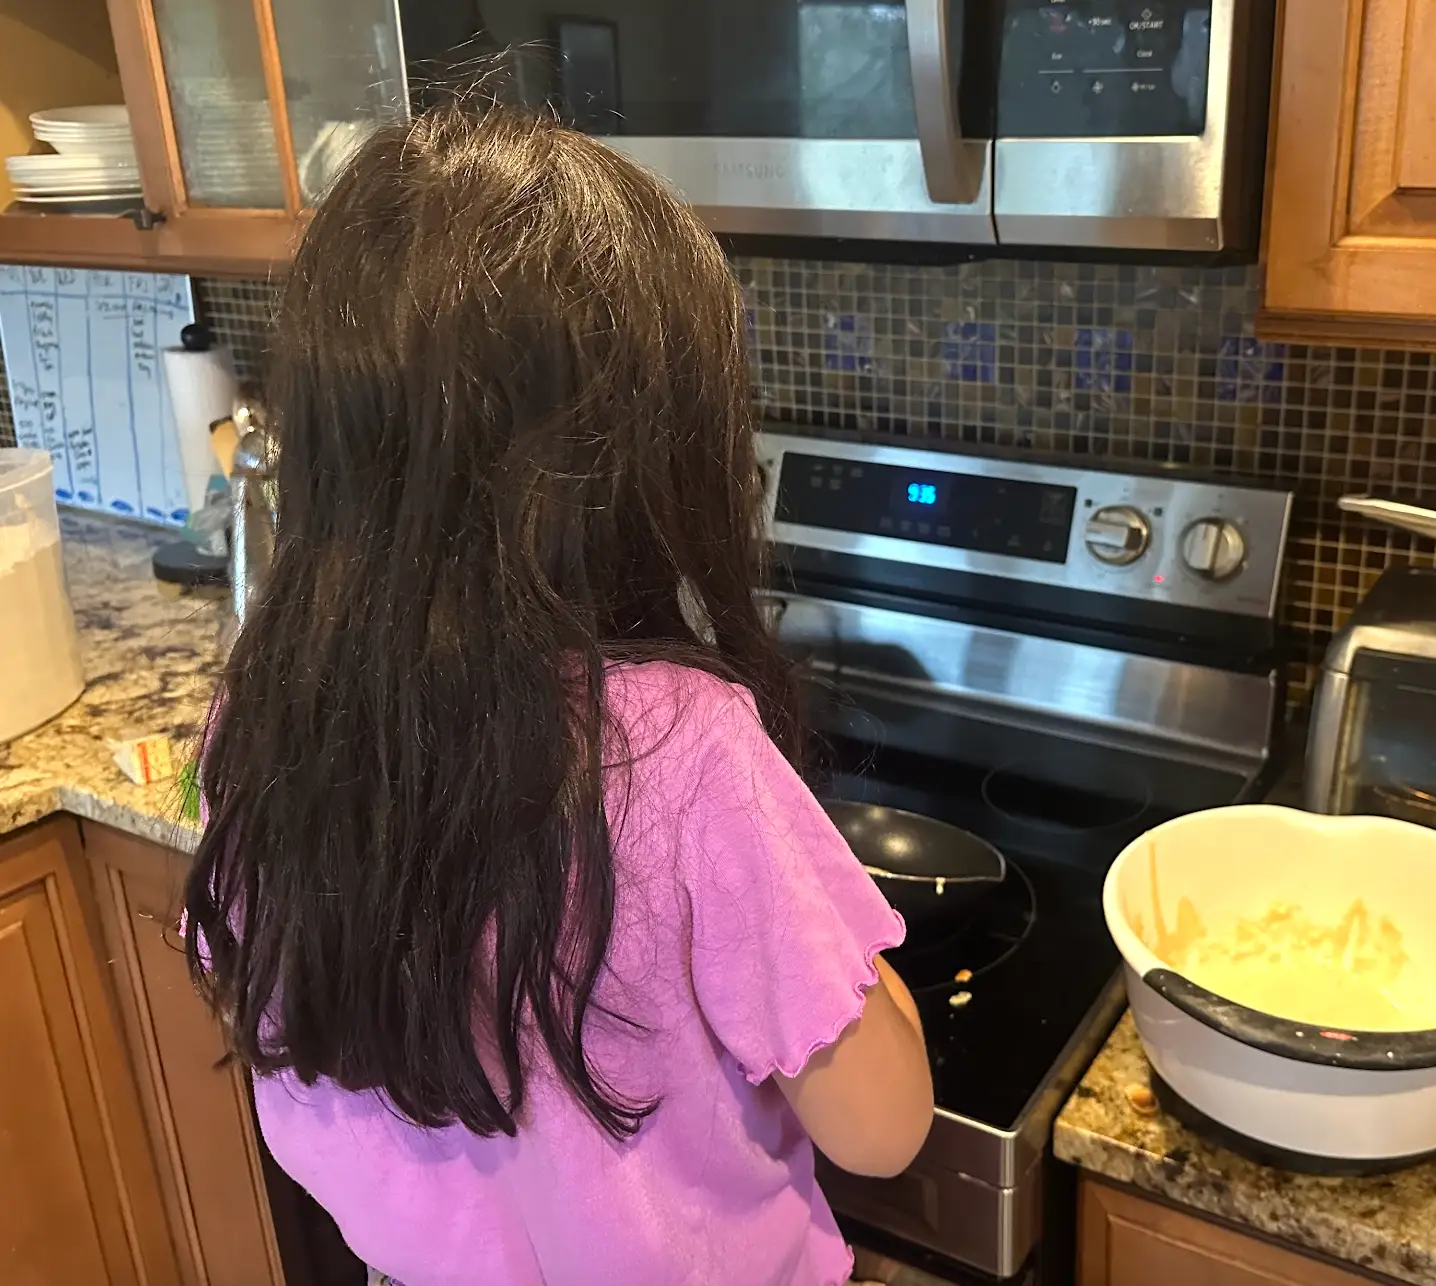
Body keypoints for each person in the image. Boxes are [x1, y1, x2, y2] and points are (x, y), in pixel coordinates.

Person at [184, 106, 935, 1286]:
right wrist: (847, 945)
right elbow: (881, 1127)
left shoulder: (266, 714)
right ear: (643, 459)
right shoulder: (683, 751)